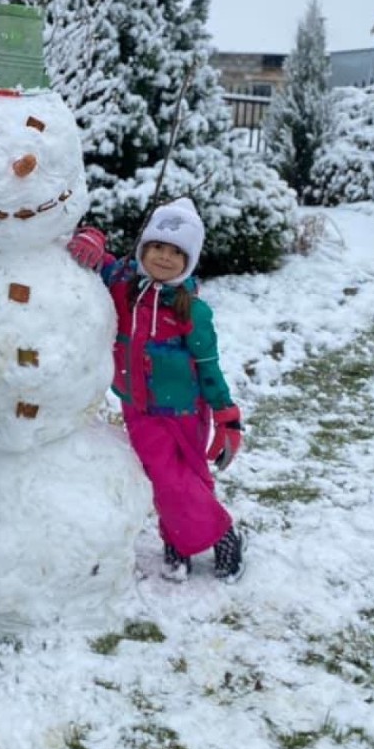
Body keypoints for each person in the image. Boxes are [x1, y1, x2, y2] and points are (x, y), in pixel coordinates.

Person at [67, 198, 245, 583]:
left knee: (190, 477)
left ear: (190, 259)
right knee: (166, 478)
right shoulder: (122, 286)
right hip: (140, 408)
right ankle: (211, 535)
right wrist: (92, 238)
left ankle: (187, 539)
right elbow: (92, 253)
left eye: (176, 252)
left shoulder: (192, 312)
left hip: (184, 410)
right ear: (143, 248)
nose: (164, 258)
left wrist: (227, 418)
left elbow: (209, 368)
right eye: (157, 247)